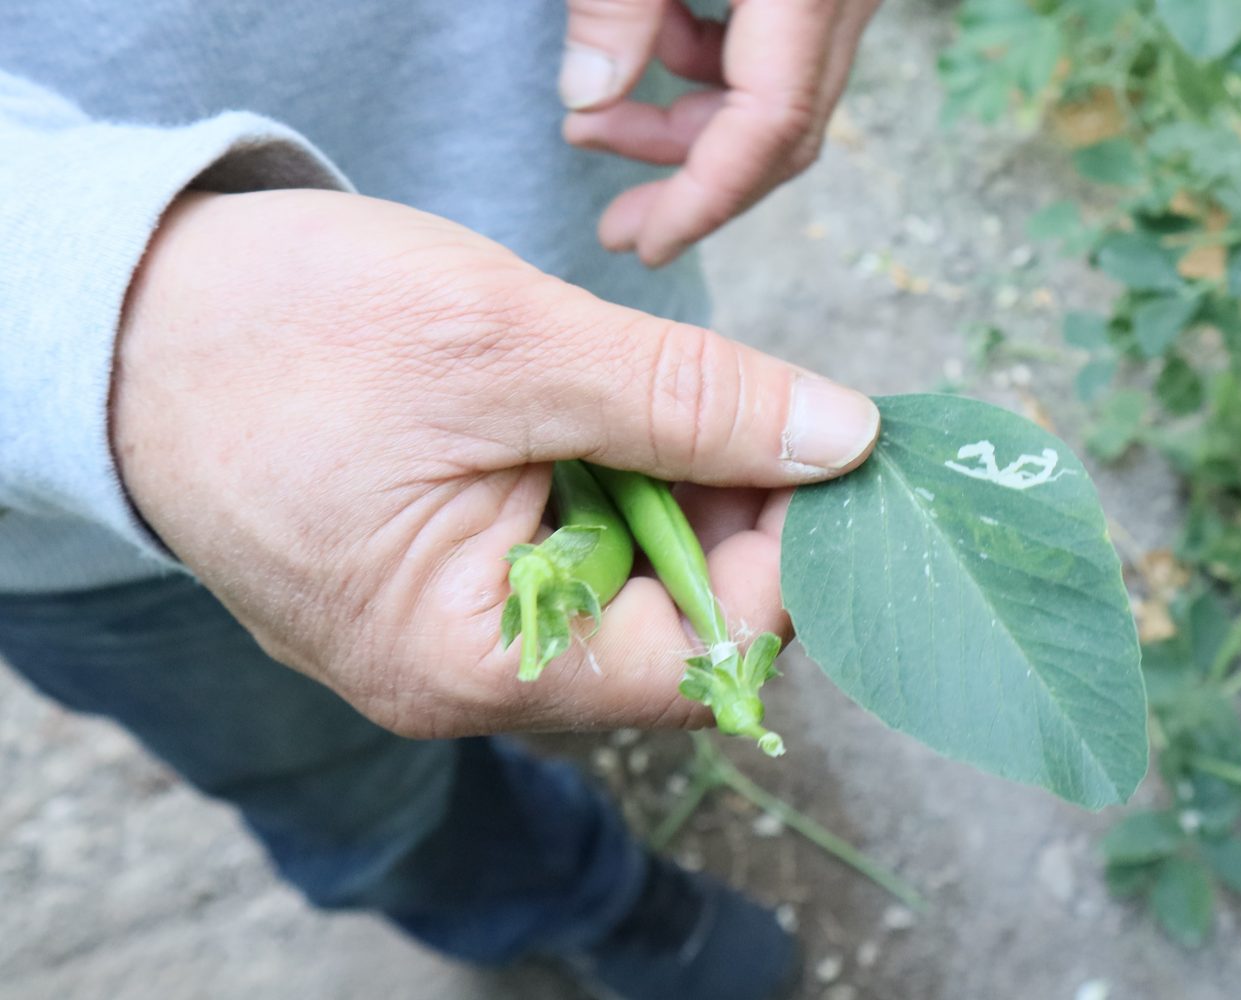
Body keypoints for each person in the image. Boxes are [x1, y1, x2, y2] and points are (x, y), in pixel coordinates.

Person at [0, 2, 883, 998]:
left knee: (599, 605)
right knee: (349, 796)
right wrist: (107, 312)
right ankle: (570, 897)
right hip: (96, 477)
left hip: (581, 247)